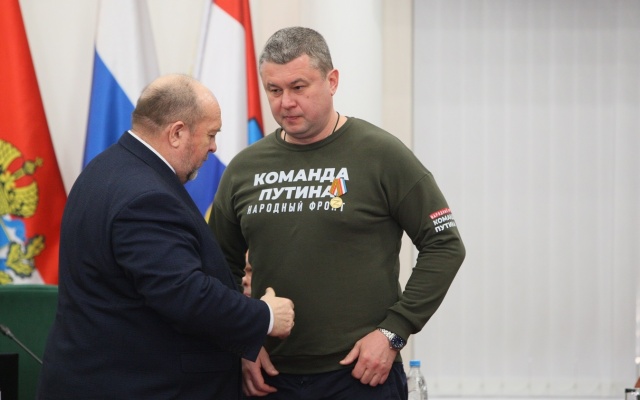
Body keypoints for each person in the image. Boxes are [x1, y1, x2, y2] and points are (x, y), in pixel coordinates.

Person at [208, 27, 465, 399]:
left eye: (299, 87)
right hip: (271, 378)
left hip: (362, 374)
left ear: (332, 81)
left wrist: (394, 332)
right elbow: (218, 265)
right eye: (274, 90)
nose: (286, 102)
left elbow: (445, 245)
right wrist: (241, 340)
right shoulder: (244, 168)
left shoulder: (381, 154)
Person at [37, 74, 295, 400]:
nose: (214, 147)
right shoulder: (146, 196)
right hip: (140, 386)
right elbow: (185, 294)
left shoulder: (105, 169)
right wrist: (265, 316)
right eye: (211, 134)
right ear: (177, 133)